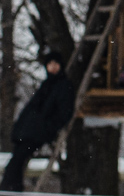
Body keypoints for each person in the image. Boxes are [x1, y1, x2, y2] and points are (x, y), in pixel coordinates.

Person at [0, 52, 74, 192]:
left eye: (55, 64)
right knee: (15, 162)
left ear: (60, 66)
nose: (52, 68)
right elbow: (31, 109)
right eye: (49, 64)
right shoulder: (46, 85)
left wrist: (48, 127)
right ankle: (11, 189)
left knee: (17, 162)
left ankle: (10, 190)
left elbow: (64, 113)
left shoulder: (64, 86)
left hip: (39, 132)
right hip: (30, 131)